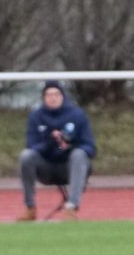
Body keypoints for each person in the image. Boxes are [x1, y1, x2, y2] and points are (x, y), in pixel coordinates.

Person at [17, 80, 96, 221]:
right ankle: (30, 207)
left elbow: (90, 147)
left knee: (79, 155)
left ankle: (71, 207)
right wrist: (50, 142)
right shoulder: (36, 117)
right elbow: (31, 145)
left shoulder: (77, 115)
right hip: (46, 168)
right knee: (26, 156)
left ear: (63, 96)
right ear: (43, 98)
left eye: (56, 94)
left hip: (69, 166)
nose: (53, 98)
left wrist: (69, 145)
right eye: (49, 95)